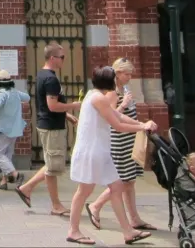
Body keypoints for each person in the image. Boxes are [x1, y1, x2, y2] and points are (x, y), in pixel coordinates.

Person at [66, 66, 157, 245]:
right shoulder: (98, 98)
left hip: (100, 151)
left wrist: (141, 123)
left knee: (116, 187)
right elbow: (118, 125)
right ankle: (73, 231)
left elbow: (118, 116)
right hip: (92, 152)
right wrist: (142, 127)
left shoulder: (94, 95)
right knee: (84, 191)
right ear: (110, 82)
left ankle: (128, 232)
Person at [86, 58, 156, 232]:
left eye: (131, 73)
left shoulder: (123, 89)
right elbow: (110, 117)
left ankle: (134, 218)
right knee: (122, 180)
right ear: (116, 73)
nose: (129, 77)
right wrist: (123, 104)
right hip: (119, 141)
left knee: (129, 181)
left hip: (128, 138)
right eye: (126, 74)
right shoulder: (111, 93)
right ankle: (95, 206)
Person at [16, 41, 81, 216]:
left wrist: (65, 114)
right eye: (62, 57)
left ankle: (50, 201)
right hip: (51, 127)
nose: (63, 60)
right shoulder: (51, 78)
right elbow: (52, 106)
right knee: (53, 166)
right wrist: (73, 105)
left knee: (51, 165)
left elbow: (46, 105)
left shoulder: (42, 74)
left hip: (48, 124)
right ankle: (35, 193)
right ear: (53, 58)